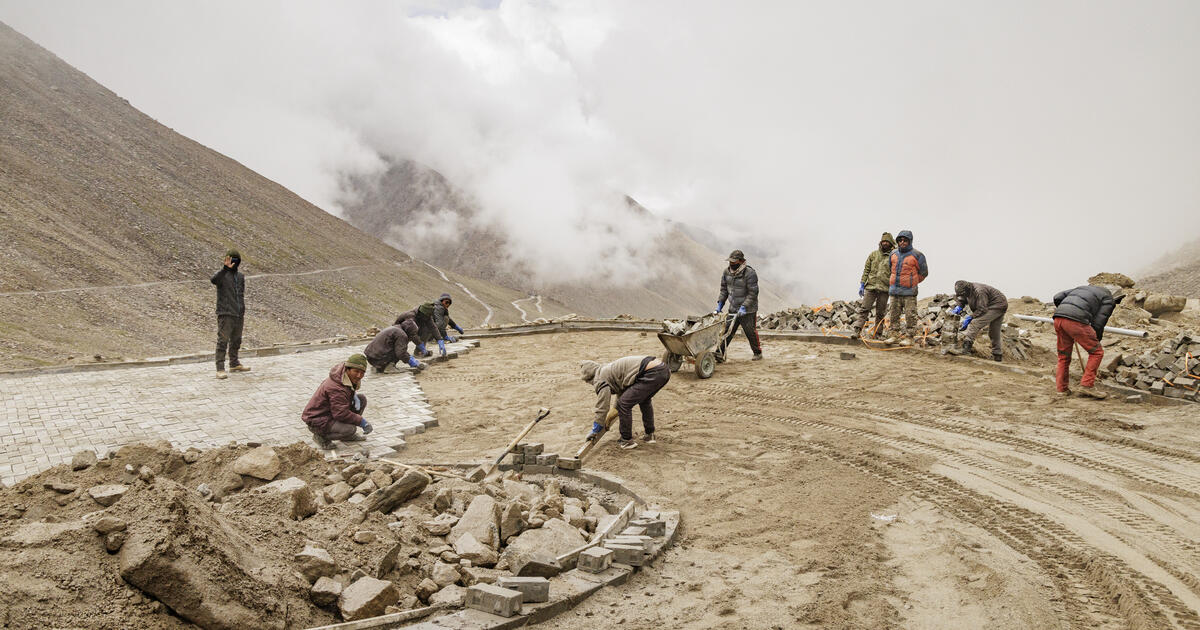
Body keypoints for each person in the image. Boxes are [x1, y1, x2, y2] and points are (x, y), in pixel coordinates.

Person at [580, 355, 670, 450]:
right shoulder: (608, 370)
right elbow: (623, 392)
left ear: (589, 378)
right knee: (644, 400)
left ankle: (626, 440)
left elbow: (602, 407)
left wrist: (596, 429)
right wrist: (613, 412)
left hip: (651, 372)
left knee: (624, 404)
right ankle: (649, 435)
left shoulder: (600, 379)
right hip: (663, 370)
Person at [1052, 285, 1118, 399]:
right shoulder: (1108, 299)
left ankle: (1062, 389)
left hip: (1058, 318)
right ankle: (1087, 385)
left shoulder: (1081, 288)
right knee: (1097, 352)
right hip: (1076, 321)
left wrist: (1066, 311)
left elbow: (1057, 297)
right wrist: (1097, 339)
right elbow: (1099, 323)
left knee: (1063, 356)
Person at [301, 353, 374, 449]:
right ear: (348, 369)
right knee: (350, 429)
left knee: (361, 399)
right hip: (317, 419)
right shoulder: (336, 387)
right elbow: (341, 414)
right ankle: (321, 437)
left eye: (362, 373)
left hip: (330, 412)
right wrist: (362, 422)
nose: (359, 375)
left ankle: (346, 437)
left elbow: (341, 405)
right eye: (356, 371)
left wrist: (353, 394)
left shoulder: (344, 377)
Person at [714, 249, 762, 362]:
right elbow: (724, 290)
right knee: (727, 332)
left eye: (734, 262)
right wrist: (720, 304)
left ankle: (757, 353)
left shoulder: (750, 273)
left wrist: (744, 306)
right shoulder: (726, 272)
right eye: (730, 261)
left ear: (741, 261)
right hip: (733, 308)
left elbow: (753, 293)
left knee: (750, 332)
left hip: (748, 310)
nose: (731, 264)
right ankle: (719, 354)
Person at [883, 231, 928, 346]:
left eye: (905, 240)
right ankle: (894, 336)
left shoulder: (918, 255)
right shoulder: (893, 254)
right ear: (897, 241)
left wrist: (912, 282)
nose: (902, 242)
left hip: (909, 293)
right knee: (893, 315)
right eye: (900, 240)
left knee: (910, 316)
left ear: (910, 241)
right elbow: (890, 268)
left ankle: (910, 337)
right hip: (894, 292)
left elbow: (924, 273)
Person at [210, 248, 249, 379]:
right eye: (232, 259)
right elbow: (213, 280)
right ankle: (220, 368)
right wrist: (224, 268)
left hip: (238, 314)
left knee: (236, 340)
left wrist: (242, 310)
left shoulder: (241, 277)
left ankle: (234, 363)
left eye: (236, 260)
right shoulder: (222, 275)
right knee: (223, 341)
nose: (234, 262)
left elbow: (240, 294)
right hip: (225, 313)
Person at [948, 280, 1009, 361]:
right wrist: (959, 306)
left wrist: (970, 317)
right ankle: (997, 355)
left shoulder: (979, 292)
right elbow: (962, 299)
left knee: (975, 323)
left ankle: (966, 349)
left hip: (997, 306)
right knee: (994, 331)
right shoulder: (966, 290)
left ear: (967, 290)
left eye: (963, 294)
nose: (963, 295)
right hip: (997, 304)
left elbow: (982, 309)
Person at [852, 232, 895, 339]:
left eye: (887, 242)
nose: (885, 243)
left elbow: (895, 273)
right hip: (870, 287)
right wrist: (862, 283)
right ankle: (857, 330)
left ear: (891, 243)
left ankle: (878, 334)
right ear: (880, 242)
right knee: (864, 309)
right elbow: (866, 270)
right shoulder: (873, 255)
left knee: (880, 313)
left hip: (885, 289)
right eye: (883, 241)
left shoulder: (893, 257)